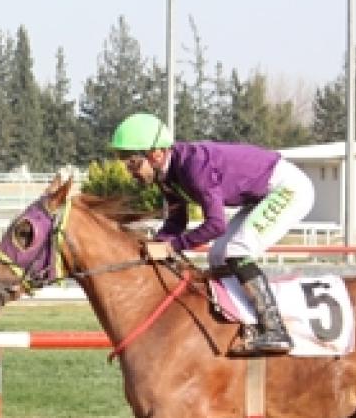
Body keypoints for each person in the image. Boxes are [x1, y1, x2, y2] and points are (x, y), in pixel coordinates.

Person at [110, 112, 315, 357]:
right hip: (262, 194)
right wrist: (154, 244)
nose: (130, 171)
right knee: (217, 256)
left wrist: (170, 247)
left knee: (237, 249)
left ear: (156, 154)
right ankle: (244, 323)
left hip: (288, 188)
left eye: (132, 163)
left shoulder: (194, 168)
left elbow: (216, 225)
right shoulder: (167, 176)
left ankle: (275, 328)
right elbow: (177, 220)